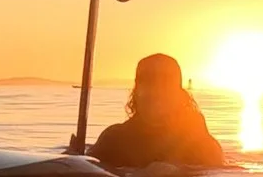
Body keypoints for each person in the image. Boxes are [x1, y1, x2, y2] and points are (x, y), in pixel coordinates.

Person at [87, 53, 226, 170]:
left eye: (165, 81)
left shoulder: (198, 140)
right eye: (148, 80)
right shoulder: (114, 139)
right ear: (135, 91)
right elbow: (90, 172)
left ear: (179, 94)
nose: (156, 91)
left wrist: (176, 172)